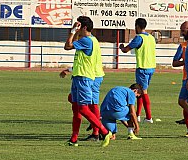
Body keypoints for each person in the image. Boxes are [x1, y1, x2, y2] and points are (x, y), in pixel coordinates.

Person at [61, 16, 113, 147]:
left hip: (85, 78)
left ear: (83, 27)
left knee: (84, 108)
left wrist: (73, 31)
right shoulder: (90, 40)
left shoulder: (87, 41)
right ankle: (74, 139)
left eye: (78, 25)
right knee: (76, 107)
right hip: (79, 77)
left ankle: (104, 132)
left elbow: (67, 46)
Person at [119, 18, 157, 124]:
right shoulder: (151, 38)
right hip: (151, 67)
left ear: (137, 26)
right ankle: (138, 115)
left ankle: (149, 117)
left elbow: (126, 50)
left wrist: (122, 47)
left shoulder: (139, 38)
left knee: (143, 92)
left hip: (143, 68)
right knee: (140, 91)